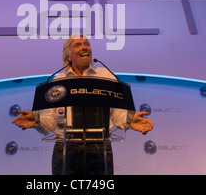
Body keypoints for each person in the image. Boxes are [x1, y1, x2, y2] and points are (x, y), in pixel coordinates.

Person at [12, 34, 153, 175]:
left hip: (100, 147)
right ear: (68, 56)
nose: (84, 47)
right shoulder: (58, 81)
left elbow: (118, 113)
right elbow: (49, 122)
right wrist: (37, 121)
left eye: (87, 44)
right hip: (65, 148)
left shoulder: (105, 75)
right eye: (78, 45)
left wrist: (129, 120)